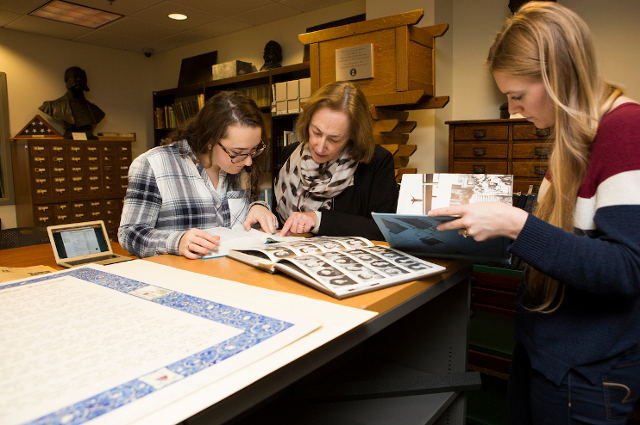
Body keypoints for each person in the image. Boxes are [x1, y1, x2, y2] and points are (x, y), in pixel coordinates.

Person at [428, 3, 640, 423]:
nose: (514, 110)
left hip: (585, 369)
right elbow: (562, 236)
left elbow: (627, 268)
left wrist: (515, 223)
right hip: (544, 350)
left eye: (517, 96)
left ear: (557, 78)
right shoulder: (574, 136)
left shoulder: (625, 129)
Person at [118, 91, 277, 259]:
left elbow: (241, 220)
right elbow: (129, 234)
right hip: (182, 278)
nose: (248, 162)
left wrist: (257, 207)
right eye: (238, 152)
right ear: (209, 139)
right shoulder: (153, 164)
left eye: (254, 150)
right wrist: (177, 242)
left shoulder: (240, 165)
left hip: (236, 274)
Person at [275, 81, 399, 240]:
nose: (320, 148)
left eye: (334, 140)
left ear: (353, 136)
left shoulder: (376, 162)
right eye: (316, 132)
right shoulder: (290, 154)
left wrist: (318, 219)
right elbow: (278, 221)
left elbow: (383, 229)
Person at [39, 66, 105, 139]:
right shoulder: (51, 106)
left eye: (81, 77)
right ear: (66, 80)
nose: (79, 79)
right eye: (74, 77)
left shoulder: (96, 111)